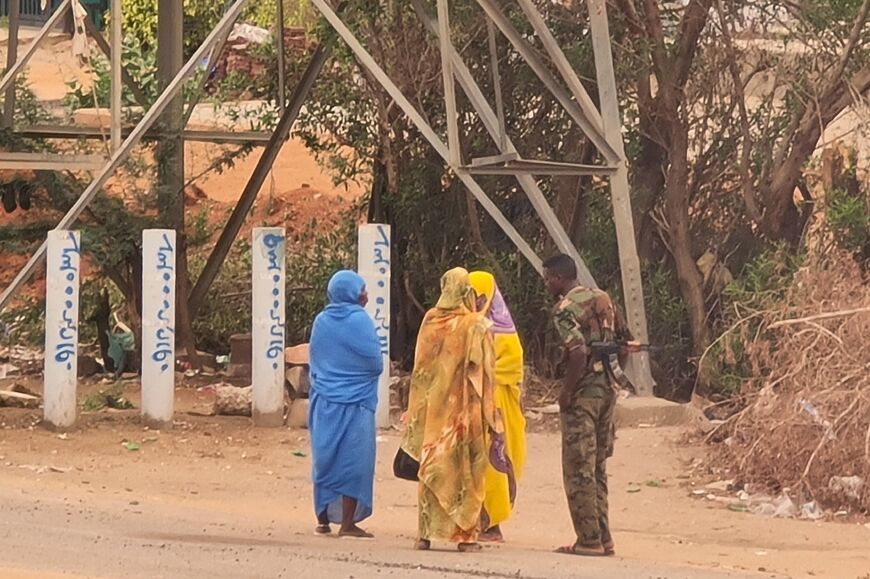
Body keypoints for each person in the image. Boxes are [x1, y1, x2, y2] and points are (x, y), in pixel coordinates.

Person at [400, 267, 502, 552]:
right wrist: (493, 416)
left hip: (433, 413)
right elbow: (485, 373)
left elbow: (420, 369)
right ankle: (465, 537)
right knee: (466, 471)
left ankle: (425, 535)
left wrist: (416, 412)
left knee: (432, 469)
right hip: (464, 414)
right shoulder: (475, 326)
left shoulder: (430, 320)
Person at [542, 253, 636, 557]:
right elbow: (626, 344)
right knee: (597, 467)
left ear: (558, 278)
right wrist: (613, 376)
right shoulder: (603, 298)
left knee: (578, 466)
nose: (546, 284)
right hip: (606, 390)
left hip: (583, 394)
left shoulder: (565, 309)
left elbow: (578, 352)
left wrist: (567, 392)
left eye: (547, 278)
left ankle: (589, 539)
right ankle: (604, 536)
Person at [308, 270, 383, 538]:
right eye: (362, 290)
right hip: (356, 404)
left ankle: (322, 520)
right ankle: (348, 524)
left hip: (324, 400)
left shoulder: (321, 321)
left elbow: (314, 358)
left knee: (324, 458)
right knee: (355, 461)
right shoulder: (360, 321)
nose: (365, 295)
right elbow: (375, 363)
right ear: (352, 293)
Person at [468, 271, 526, 543]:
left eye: (480, 295)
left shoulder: (503, 330)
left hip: (498, 407)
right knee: (474, 463)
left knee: (495, 463)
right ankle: (476, 519)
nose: (476, 300)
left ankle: (492, 524)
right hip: (474, 404)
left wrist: (484, 376)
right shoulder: (468, 324)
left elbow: (512, 367)